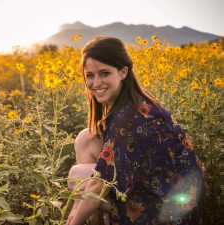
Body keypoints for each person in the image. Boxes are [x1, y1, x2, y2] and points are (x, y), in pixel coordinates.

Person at [66, 36, 204, 225]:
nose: (96, 83)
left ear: (123, 72)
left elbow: (98, 186)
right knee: (86, 138)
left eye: (105, 73)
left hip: (165, 213)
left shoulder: (127, 118)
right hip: (169, 195)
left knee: (78, 176)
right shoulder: (135, 102)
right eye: (90, 75)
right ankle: (92, 219)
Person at [67, 128, 111, 225]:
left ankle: (87, 211)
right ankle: (90, 212)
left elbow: (97, 185)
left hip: (142, 199)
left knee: (76, 172)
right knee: (87, 135)